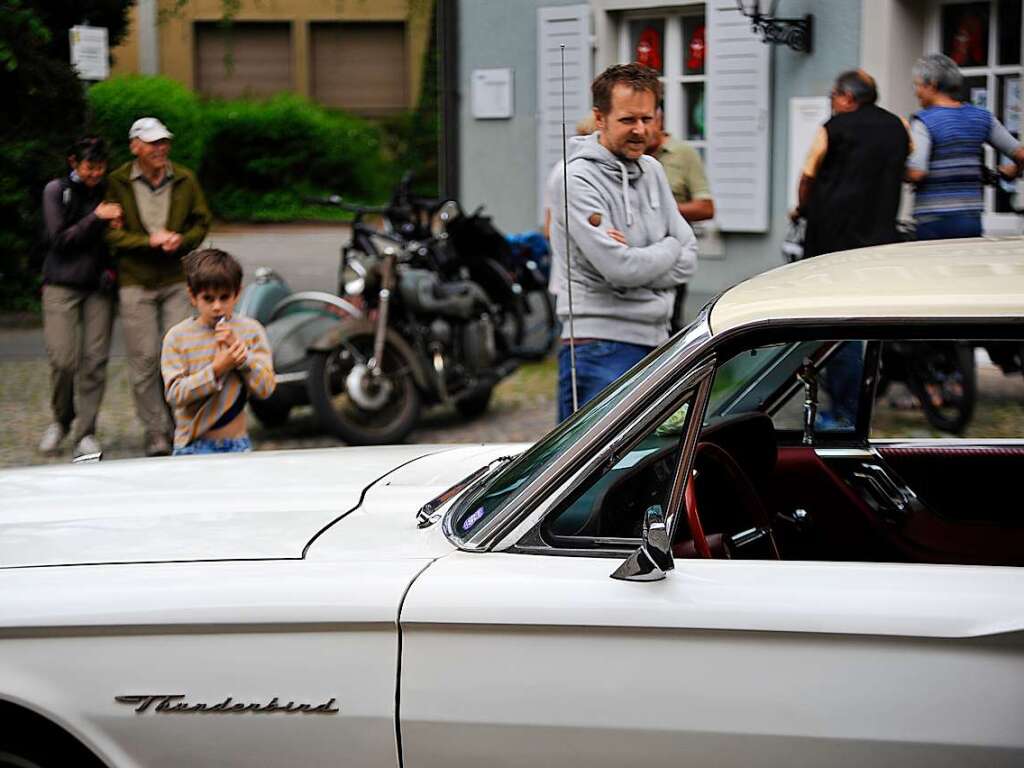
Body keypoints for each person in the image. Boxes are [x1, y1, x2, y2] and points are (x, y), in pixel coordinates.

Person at [550, 63, 698, 423]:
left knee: (644, 472)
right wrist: (666, 248)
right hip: (597, 347)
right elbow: (621, 269)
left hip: (656, 343)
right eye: (628, 120)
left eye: (648, 119)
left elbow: (689, 257)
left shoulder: (653, 170)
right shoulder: (573, 179)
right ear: (600, 118)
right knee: (592, 475)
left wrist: (638, 255)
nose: (641, 130)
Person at [105, 117, 212, 456]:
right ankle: (155, 431)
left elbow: (202, 220)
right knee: (144, 358)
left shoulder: (183, 178)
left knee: (178, 354)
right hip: (135, 281)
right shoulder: (117, 182)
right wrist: (147, 241)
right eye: (152, 143)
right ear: (135, 146)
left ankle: (182, 424)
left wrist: (184, 241)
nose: (160, 148)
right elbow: (110, 234)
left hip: (175, 277)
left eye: (164, 142)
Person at [37, 136, 123, 457]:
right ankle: (61, 420)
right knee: (63, 360)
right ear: (74, 162)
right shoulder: (56, 191)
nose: (95, 173)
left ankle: (86, 430)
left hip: (99, 288)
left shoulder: (108, 189)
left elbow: (115, 239)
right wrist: (96, 218)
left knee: (95, 362)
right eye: (89, 166)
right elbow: (59, 239)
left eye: (100, 166)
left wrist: (111, 269)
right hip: (60, 284)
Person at [161, 248, 275, 456]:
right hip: (192, 446)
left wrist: (242, 359)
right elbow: (175, 395)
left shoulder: (251, 331)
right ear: (193, 296)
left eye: (224, 297)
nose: (217, 307)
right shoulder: (178, 337)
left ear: (237, 293)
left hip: (237, 444)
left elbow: (266, 388)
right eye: (208, 298)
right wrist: (217, 369)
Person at [795, 69, 911, 258]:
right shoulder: (900, 125)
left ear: (847, 98)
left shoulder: (832, 128)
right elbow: (905, 167)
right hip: (881, 231)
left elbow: (807, 178)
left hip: (832, 232)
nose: (832, 101)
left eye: (833, 95)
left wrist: (801, 209)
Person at [907, 53, 1024, 240]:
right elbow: (1021, 154)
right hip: (971, 220)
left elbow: (917, 172)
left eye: (918, 85)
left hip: (933, 222)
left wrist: (895, 167)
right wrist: (1014, 170)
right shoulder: (982, 117)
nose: (916, 91)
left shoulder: (924, 120)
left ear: (932, 85)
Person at [645, 104, 715, 327]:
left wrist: (663, 208)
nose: (639, 130)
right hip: (635, 255)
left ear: (659, 119)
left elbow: (706, 208)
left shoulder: (683, 154)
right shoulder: (629, 155)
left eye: (646, 120)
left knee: (669, 323)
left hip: (670, 255)